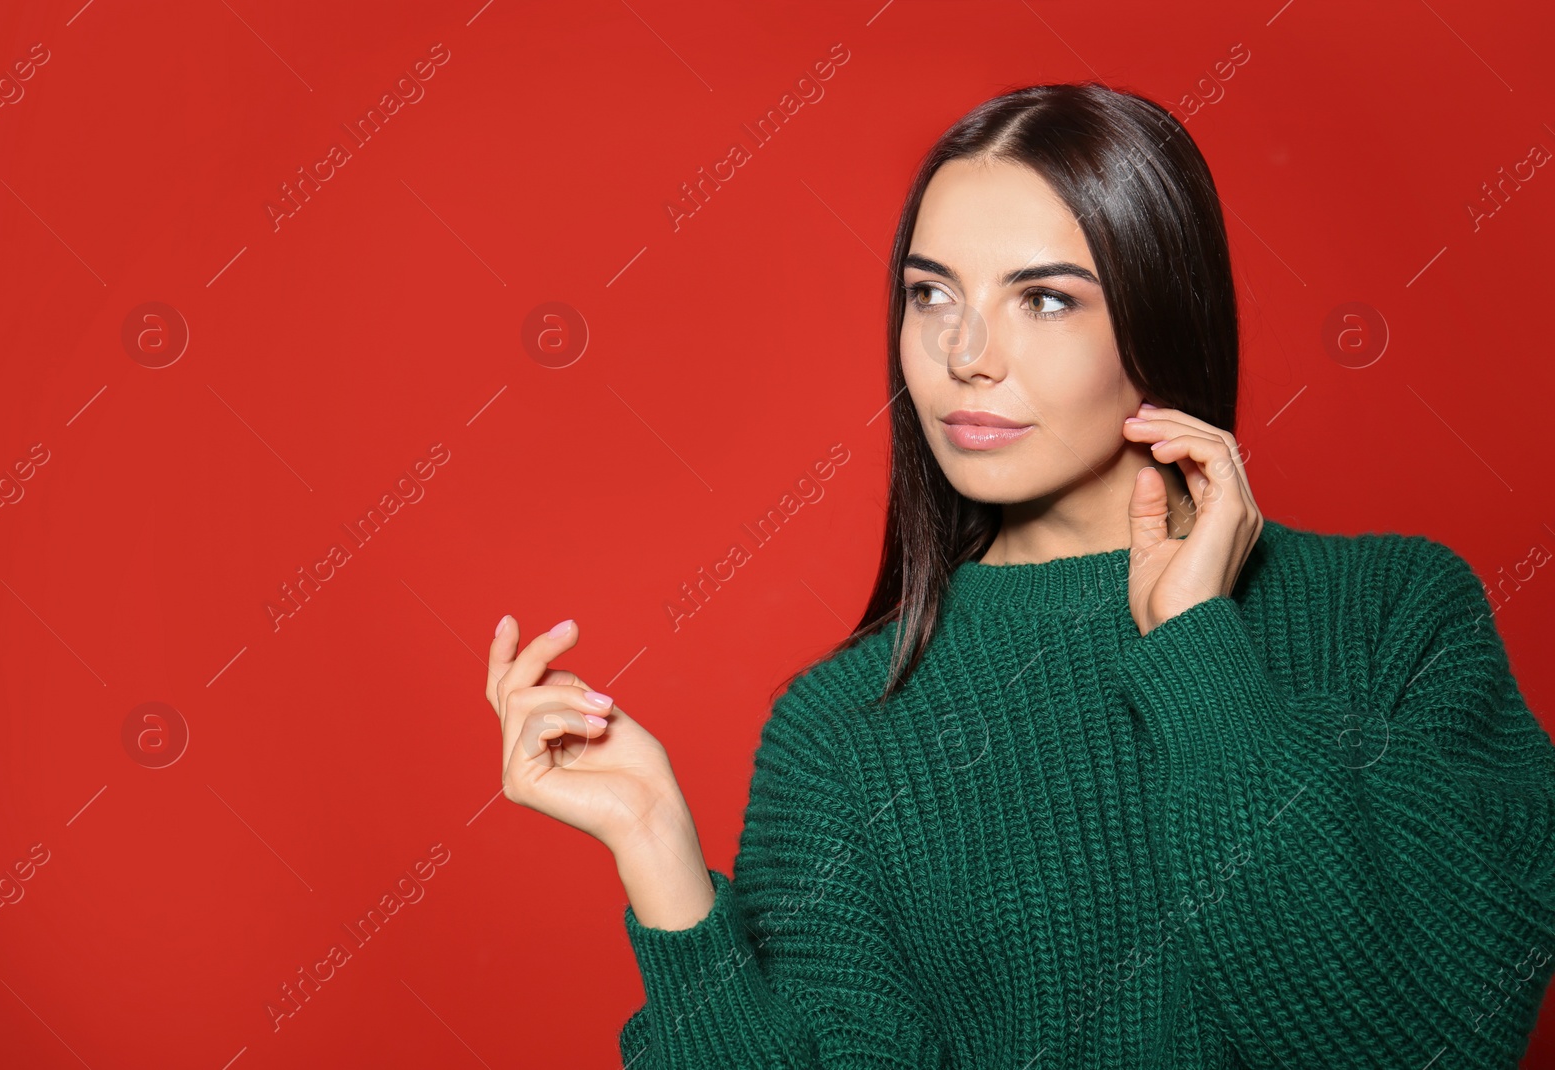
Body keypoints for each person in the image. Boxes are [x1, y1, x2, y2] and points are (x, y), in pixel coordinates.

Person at [483, 81, 1555, 1068]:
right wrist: (661, 861)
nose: (966, 354)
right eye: (931, 294)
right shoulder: (840, 728)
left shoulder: (1395, 616)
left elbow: (1416, 1043)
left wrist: (1197, 653)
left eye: (1044, 300)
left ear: (1160, 312)